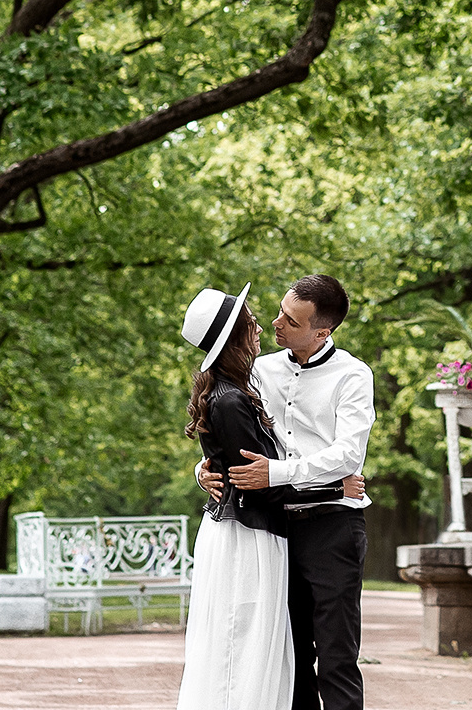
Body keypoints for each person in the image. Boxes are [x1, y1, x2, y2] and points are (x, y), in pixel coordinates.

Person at [201, 275, 375, 710]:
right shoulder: (259, 370)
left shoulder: (353, 375)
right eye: (279, 311)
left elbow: (347, 455)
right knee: (289, 657)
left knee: (336, 656)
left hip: (332, 525)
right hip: (274, 531)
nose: (276, 323)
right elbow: (230, 431)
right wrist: (204, 469)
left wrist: (277, 473)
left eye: (291, 321)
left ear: (322, 331)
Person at [178, 284, 294, 710]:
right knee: (238, 642)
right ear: (234, 337)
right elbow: (257, 480)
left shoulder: (233, 389)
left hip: (245, 530)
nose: (260, 326)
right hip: (246, 536)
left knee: (245, 641)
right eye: (251, 322)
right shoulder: (230, 400)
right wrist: (335, 487)